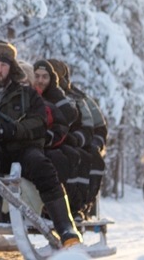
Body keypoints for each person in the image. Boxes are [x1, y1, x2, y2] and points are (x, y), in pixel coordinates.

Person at [0, 41, 82, 247]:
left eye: (4, 65)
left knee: (42, 166)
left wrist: (6, 130)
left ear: (12, 68)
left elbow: (38, 125)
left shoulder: (29, 96)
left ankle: (65, 228)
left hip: (25, 151)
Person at [32, 60, 93, 221]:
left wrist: (75, 139)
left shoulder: (59, 94)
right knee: (59, 159)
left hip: (57, 141)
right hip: (36, 143)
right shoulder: (29, 93)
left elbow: (70, 116)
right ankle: (51, 208)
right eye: (37, 76)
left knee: (77, 157)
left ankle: (74, 207)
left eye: (45, 77)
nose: (40, 80)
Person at [49, 59, 108, 220]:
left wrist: (93, 143)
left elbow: (97, 125)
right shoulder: (39, 94)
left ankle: (83, 204)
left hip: (79, 142)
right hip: (56, 143)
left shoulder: (79, 98)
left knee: (91, 160)